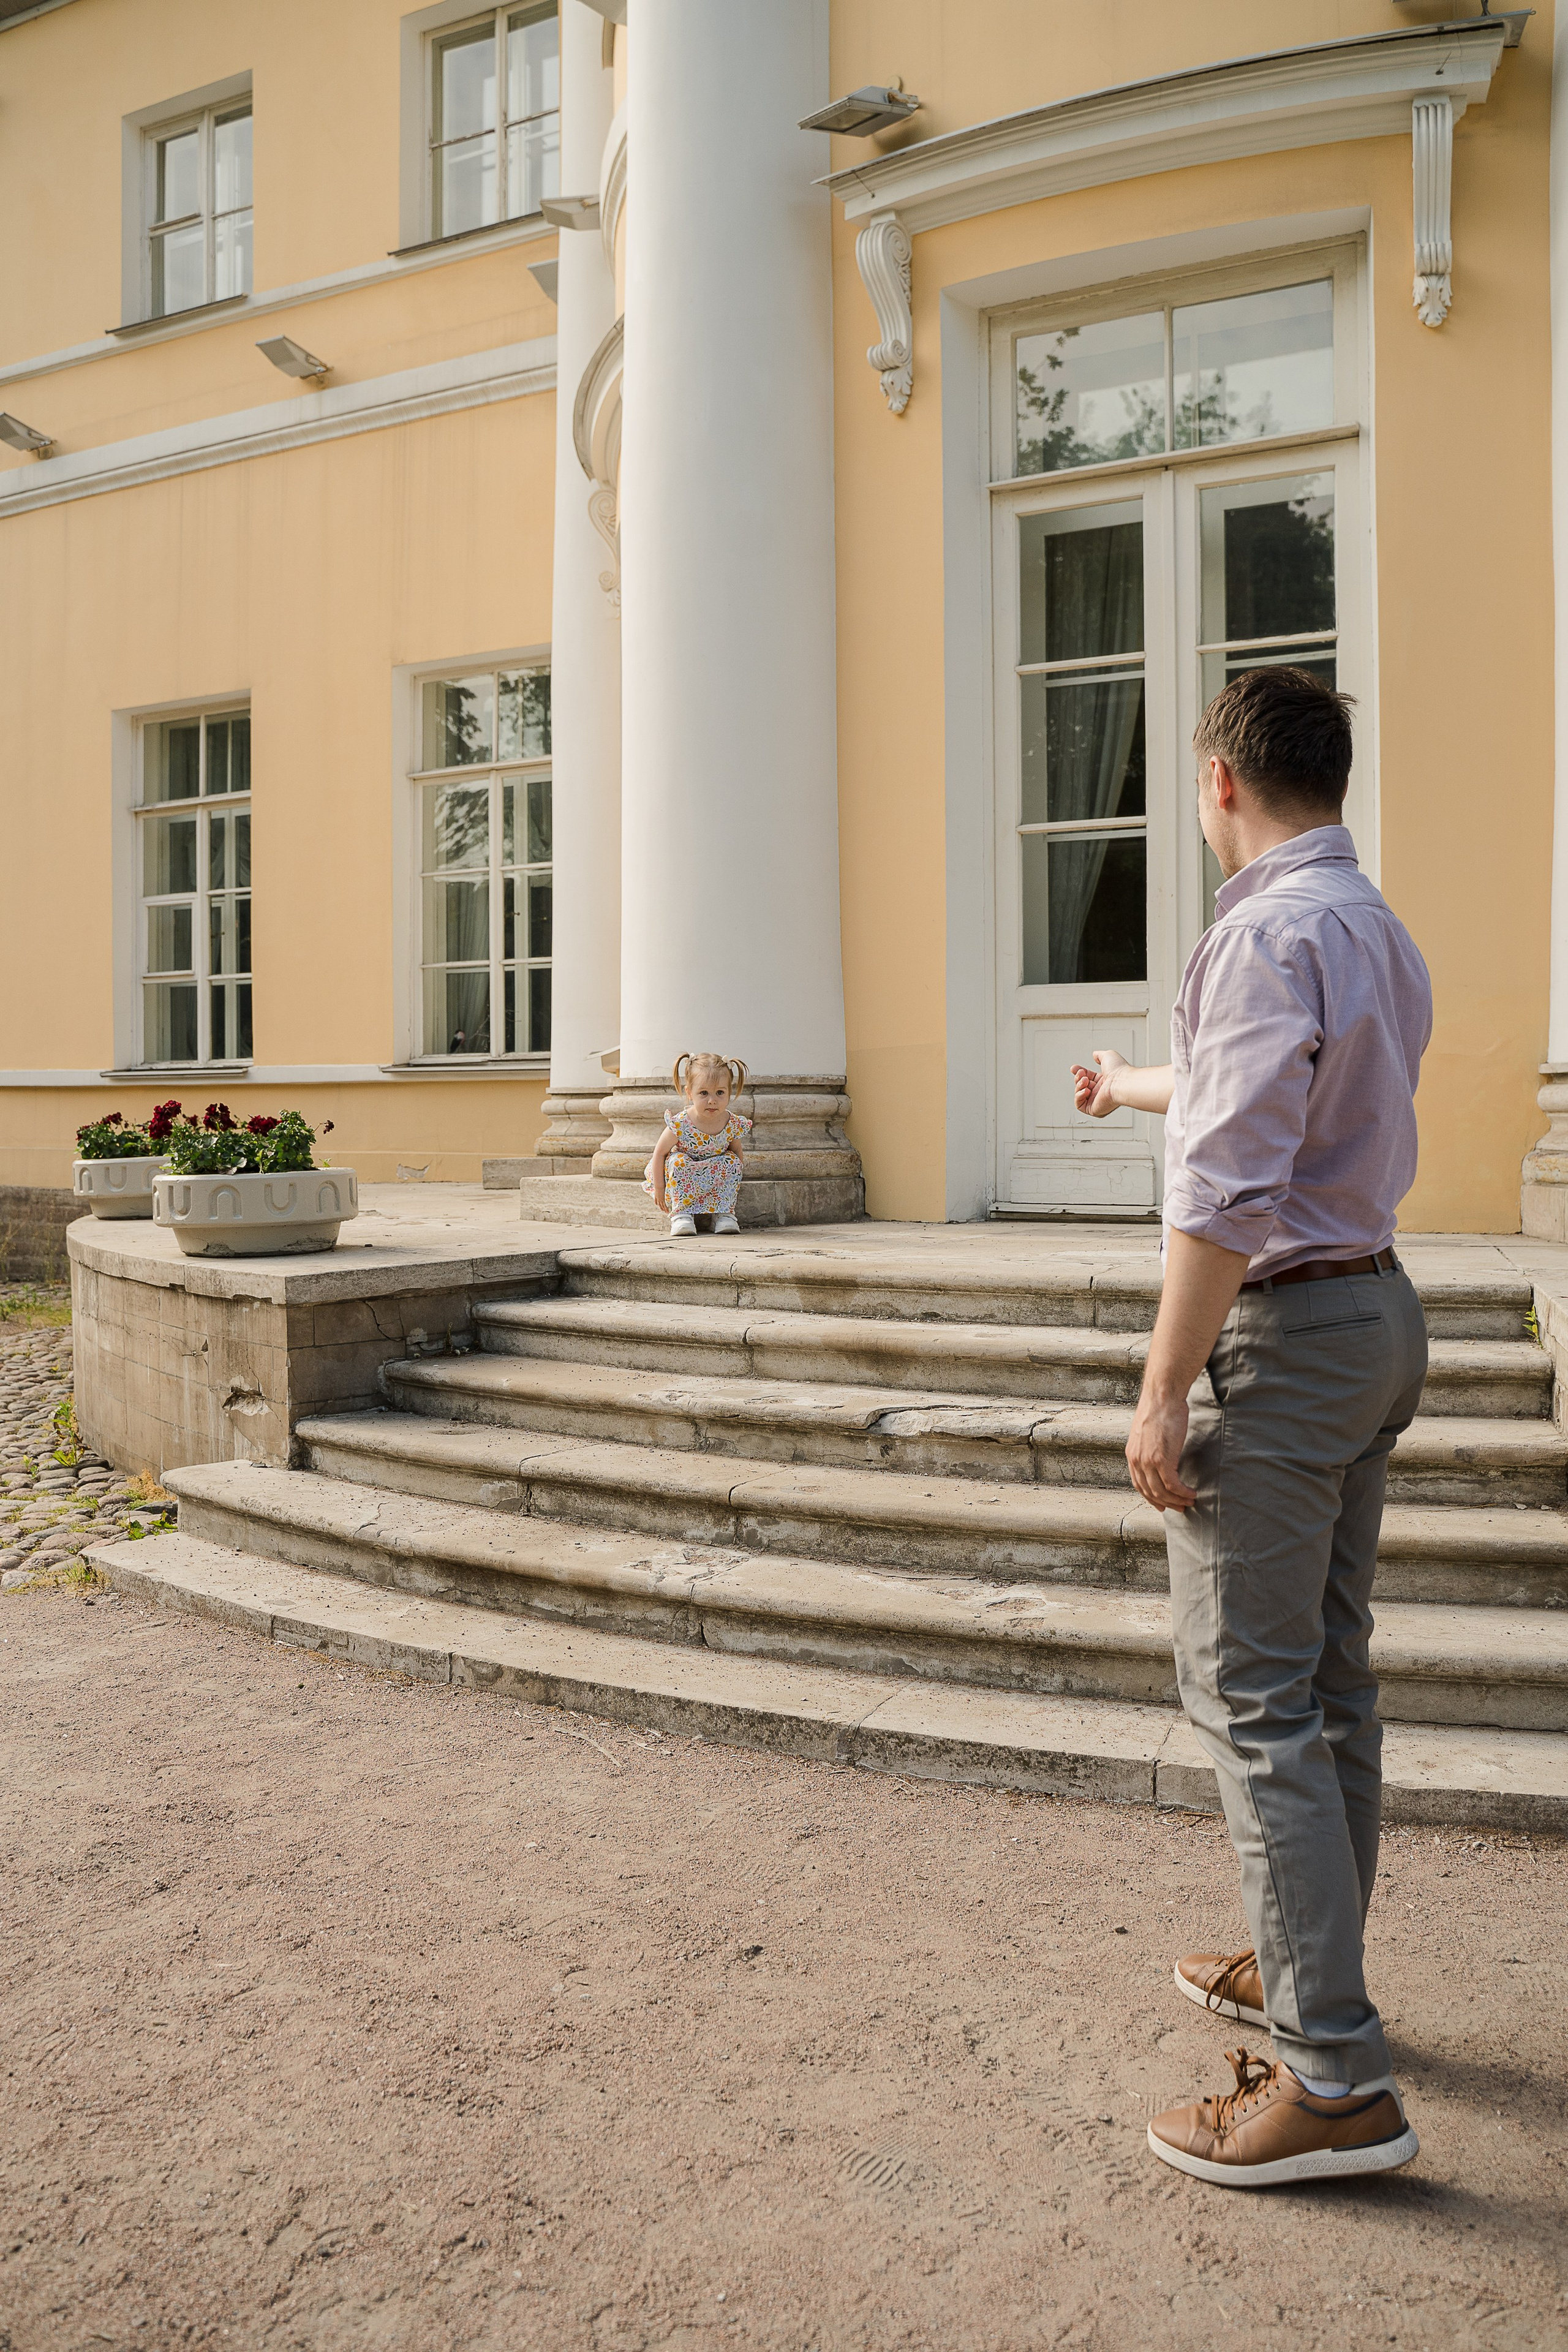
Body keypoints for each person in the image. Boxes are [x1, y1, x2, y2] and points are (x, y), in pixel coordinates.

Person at [1072, 665, 1433, 2188]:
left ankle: (1331, 2080)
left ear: (1216, 780)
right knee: (1327, 1678)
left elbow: (1222, 1186)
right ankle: (1314, 1971)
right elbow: (1258, 1098)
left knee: (1251, 1696)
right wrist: (1124, 1080)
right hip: (1379, 1314)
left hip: (1285, 1346)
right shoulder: (1364, 925)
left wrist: (1161, 1388)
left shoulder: (1256, 932)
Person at [645, 1054, 752, 1237]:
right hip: (686, 1173)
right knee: (678, 1162)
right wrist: (660, 1188)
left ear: (729, 1092)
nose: (712, 1100)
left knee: (732, 1162)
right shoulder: (681, 1123)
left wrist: (733, 1182)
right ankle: (682, 1214)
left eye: (720, 1093)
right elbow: (660, 1153)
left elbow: (737, 1151)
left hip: (713, 1173)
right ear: (690, 1093)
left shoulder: (731, 1122)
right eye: (704, 1093)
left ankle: (724, 1212)